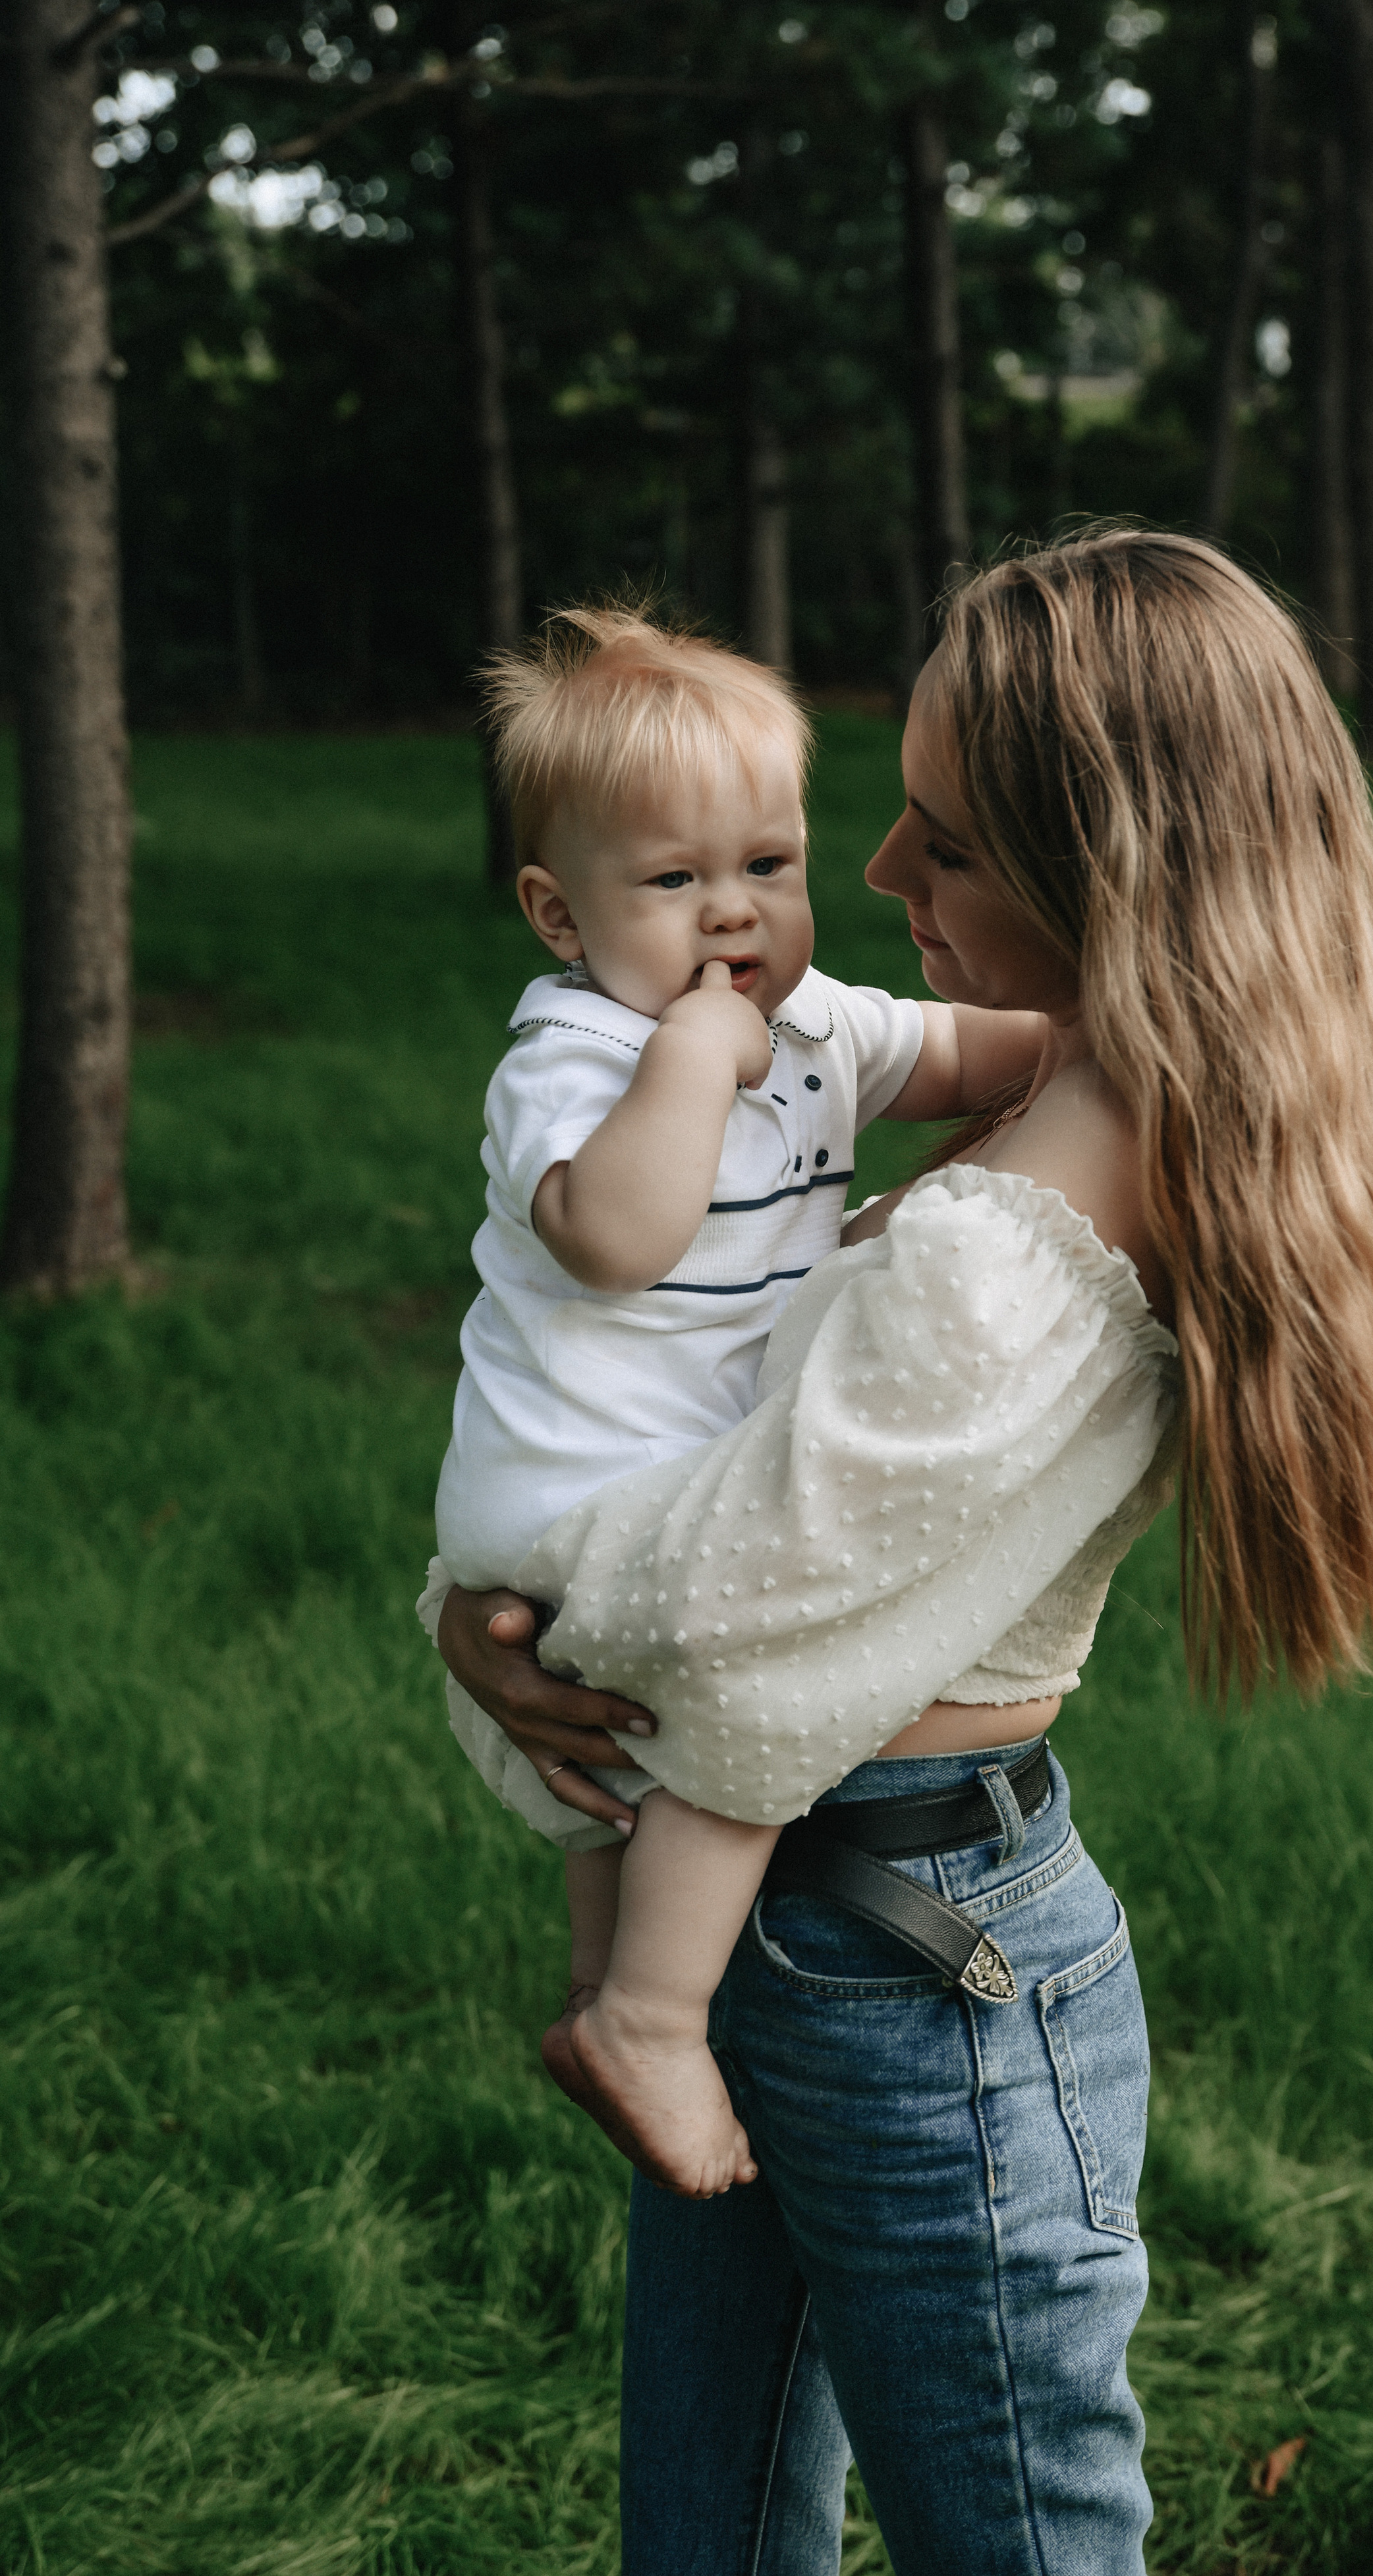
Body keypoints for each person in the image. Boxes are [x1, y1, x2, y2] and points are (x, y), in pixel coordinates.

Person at [430, 530, 1373, 2575]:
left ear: (1097, 862)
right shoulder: (1129, 1112)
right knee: (717, 2512)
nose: (867, 879)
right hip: (827, 1914)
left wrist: (488, 1610)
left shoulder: (1006, 1253)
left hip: (905, 1963)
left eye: (936, 836)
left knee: (1005, 2540)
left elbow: (730, 1616)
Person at [429, 607, 1048, 2200]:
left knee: (614, 1800)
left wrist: (1109, 1035)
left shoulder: (819, 1017)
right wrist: (694, 1064)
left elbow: (972, 1051)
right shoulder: (573, 1055)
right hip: (579, 1494)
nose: (733, 919)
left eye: (766, 866)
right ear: (557, 914)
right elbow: (618, 1242)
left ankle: (594, 2002)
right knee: (727, 1712)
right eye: (670, 882)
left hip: (633, 1485)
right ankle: (649, 2012)